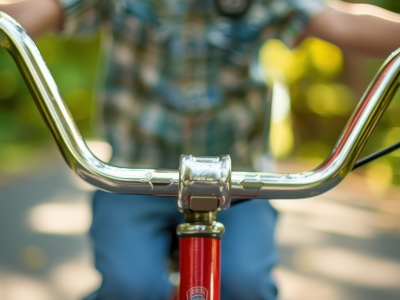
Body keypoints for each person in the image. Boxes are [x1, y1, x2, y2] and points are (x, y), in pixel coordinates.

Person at [1, 1, 400, 299]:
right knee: (129, 286)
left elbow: (338, 19)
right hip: (133, 179)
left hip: (240, 184)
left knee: (246, 285)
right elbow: (41, 9)